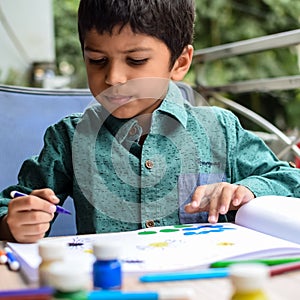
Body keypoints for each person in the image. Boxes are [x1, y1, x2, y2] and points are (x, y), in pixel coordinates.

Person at [0, 0, 299, 243]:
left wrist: (248, 189)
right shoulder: (68, 138)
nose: (113, 78)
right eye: (97, 60)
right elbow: (12, 205)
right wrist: (14, 223)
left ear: (180, 63)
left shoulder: (220, 130)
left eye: (136, 60)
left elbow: (291, 181)